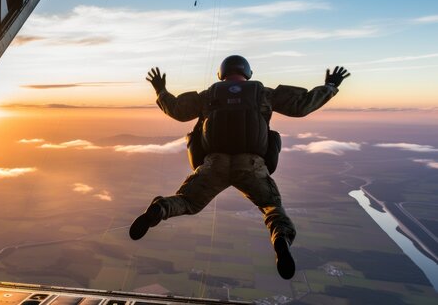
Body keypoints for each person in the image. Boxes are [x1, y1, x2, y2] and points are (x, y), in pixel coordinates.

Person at [129, 55, 350, 280]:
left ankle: (160, 210)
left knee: (187, 201)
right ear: (248, 72)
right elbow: (301, 105)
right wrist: (330, 87)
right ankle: (280, 239)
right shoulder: (263, 93)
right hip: (251, 165)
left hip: (214, 164)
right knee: (271, 208)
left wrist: (161, 90)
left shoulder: (208, 96)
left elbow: (177, 110)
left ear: (221, 74)